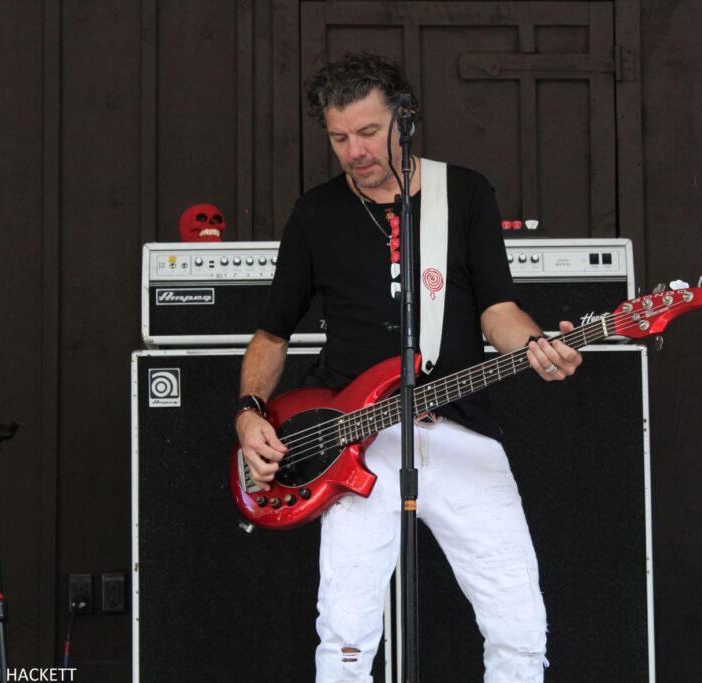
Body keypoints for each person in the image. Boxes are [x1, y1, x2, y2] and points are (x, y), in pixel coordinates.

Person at [233, 52, 582, 683]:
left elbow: (498, 310)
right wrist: (250, 413)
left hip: (458, 424)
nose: (355, 151)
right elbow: (271, 334)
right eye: (339, 138)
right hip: (354, 443)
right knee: (345, 637)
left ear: (406, 119)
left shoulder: (464, 193)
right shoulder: (315, 214)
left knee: (519, 628)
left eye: (369, 132)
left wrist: (536, 346)